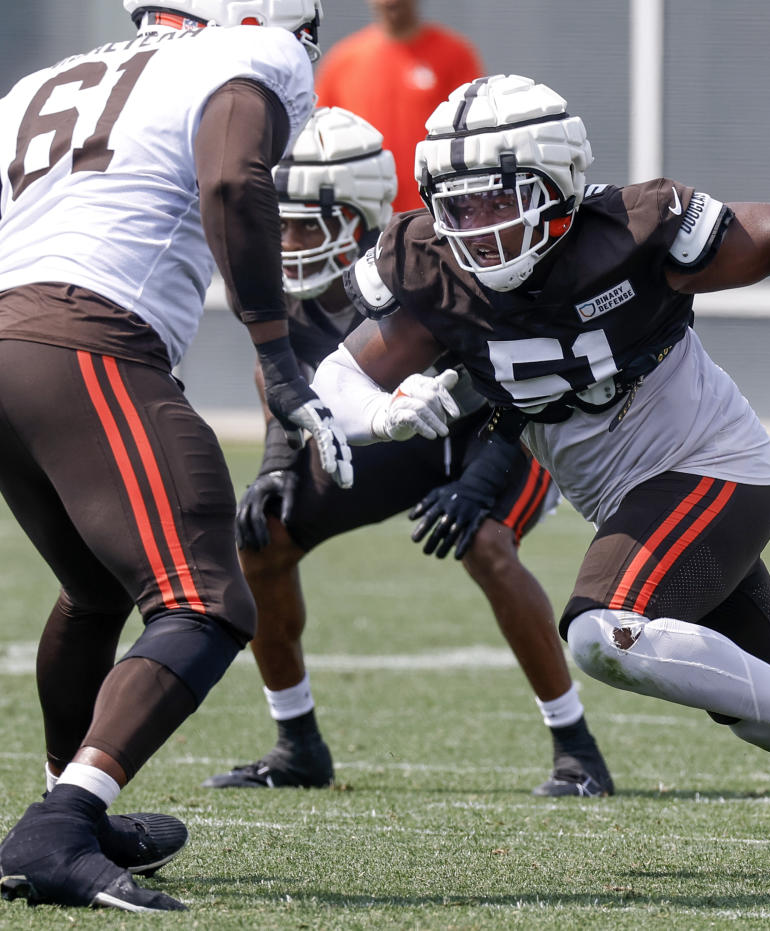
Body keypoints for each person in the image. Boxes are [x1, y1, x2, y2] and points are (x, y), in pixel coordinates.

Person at [312, 74, 770, 872]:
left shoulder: (633, 229)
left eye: (495, 200)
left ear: (556, 186)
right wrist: (378, 415)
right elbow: (336, 379)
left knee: (599, 631)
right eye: (458, 204)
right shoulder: (431, 270)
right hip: (638, 503)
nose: (474, 227)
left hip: (711, 470)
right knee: (766, 708)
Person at [0, 0, 352, 913]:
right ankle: (59, 826)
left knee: (94, 588)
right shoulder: (253, 49)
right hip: (89, 337)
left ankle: (66, 801)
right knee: (204, 596)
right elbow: (234, 182)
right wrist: (275, 352)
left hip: (11, 338)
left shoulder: (45, 80)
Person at [202, 105, 613, 797]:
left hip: (500, 432)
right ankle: (298, 743)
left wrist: (480, 481)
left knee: (485, 542)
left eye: (307, 223)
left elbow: (512, 380)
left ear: (358, 220)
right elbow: (283, 384)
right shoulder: (290, 300)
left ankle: (578, 751)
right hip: (400, 436)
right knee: (262, 540)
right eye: (281, 223)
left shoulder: (429, 262)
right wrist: (276, 466)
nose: (288, 240)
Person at [315, 0, 482, 212]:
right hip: (364, 210)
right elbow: (322, 139)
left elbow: (472, 130)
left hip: (434, 208)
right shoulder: (342, 62)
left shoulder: (454, 54)